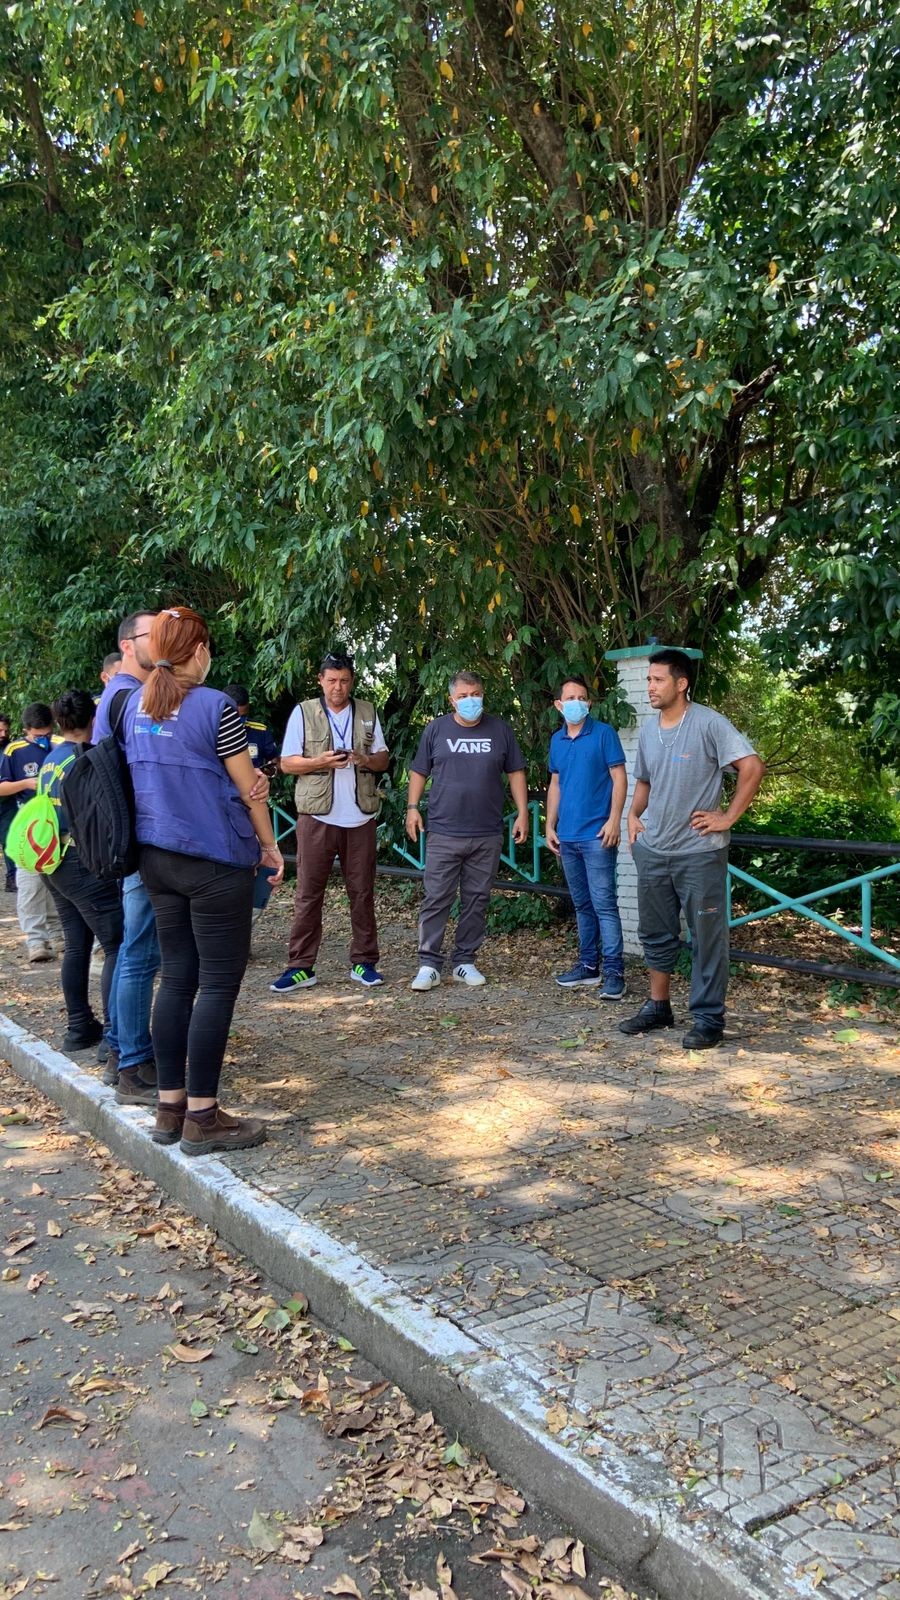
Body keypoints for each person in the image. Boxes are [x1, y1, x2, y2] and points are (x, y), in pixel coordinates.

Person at [121, 605, 284, 1155]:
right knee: (217, 984)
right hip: (215, 860)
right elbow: (249, 789)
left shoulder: (133, 706)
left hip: (157, 860)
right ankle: (204, 1118)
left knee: (178, 979)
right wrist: (269, 846)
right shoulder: (217, 708)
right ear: (198, 651)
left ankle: (169, 1110)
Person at [620, 648, 765, 1049]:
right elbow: (645, 781)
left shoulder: (709, 723)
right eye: (648, 679)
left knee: (706, 936)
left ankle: (708, 1019)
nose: (650, 686)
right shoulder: (650, 731)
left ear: (681, 684)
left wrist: (728, 817)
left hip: (699, 852)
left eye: (658, 679)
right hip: (655, 850)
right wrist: (633, 816)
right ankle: (658, 1006)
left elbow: (752, 767)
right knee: (655, 933)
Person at [271, 651, 390, 993]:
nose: (338, 687)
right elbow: (287, 764)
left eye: (345, 681)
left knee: (362, 891)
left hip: (360, 815)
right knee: (308, 892)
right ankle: (300, 966)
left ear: (352, 681)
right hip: (317, 816)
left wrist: (363, 758)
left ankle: (365, 962)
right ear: (320, 680)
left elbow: (383, 760)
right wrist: (319, 761)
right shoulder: (304, 712)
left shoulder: (367, 710)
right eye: (332, 680)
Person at [407, 671, 528, 990]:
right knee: (437, 898)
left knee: (477, 899)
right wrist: (411, 809)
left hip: (486, 832)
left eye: (475, 693)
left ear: (483, 694)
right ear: (452, 700)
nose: (470, 700)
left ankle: (464, 961)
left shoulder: (500, 729)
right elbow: (419, 771)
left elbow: (516, 771)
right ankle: (428, 964)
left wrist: (523, 813)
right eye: (463, 696)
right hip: (444, 831)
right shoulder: (436, 729)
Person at [93, 612, 161, 1098]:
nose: (161, 642)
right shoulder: (132, 696)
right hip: (141, 839)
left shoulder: (115, 696)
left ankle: (121, 1048)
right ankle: (133, 1065)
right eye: (151, 635)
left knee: (133, 948)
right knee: (140, 951)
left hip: (126, 837)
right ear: (128, 644)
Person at [37, 691, 124, 1052]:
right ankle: (114, 1038)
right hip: (80, 862)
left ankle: (78, 1027)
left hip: (52, 858)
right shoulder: (86, 760)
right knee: (117, 945)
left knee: (77, 944)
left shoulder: (52, 758)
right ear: (93, 719)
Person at [545, 677, 628, 999]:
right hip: (567, 836)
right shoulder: (557, 740)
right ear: (559, 705)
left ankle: (614, 973)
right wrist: (549, 825)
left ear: (589, 703)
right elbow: (556, 784)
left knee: (604, 905)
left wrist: (614, 820)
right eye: (570, 697)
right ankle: (588, 966)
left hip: (597, 835)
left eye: (582, 697)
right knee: (582, 905)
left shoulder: (604, 734)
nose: (577, 702)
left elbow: (619, 779)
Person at [0, 703, 61, 961]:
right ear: (26, 730)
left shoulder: (60, 744)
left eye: (45, 734)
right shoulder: (14, 751)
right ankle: (36, 940)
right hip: (29, 823)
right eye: (37, 735)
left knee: (58, 879)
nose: (42, 740)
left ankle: (59, 934)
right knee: (30, 881)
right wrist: (25, 783)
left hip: (59, 821)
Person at [223, 683, 279, 932]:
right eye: (236, 716)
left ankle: (244, 933)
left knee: (262, 874)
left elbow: (276, 761)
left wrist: (265, 775)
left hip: (254, 812)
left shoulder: (258, 731)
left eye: (244, 716)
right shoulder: (208, 729)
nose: (240, 721)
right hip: (223, 815)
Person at [0, 713, 16, 893]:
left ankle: (12, 877)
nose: (3, 734)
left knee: (9, 841)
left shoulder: (11, 750)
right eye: (0, 730)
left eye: (6, 730)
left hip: (7, 804)